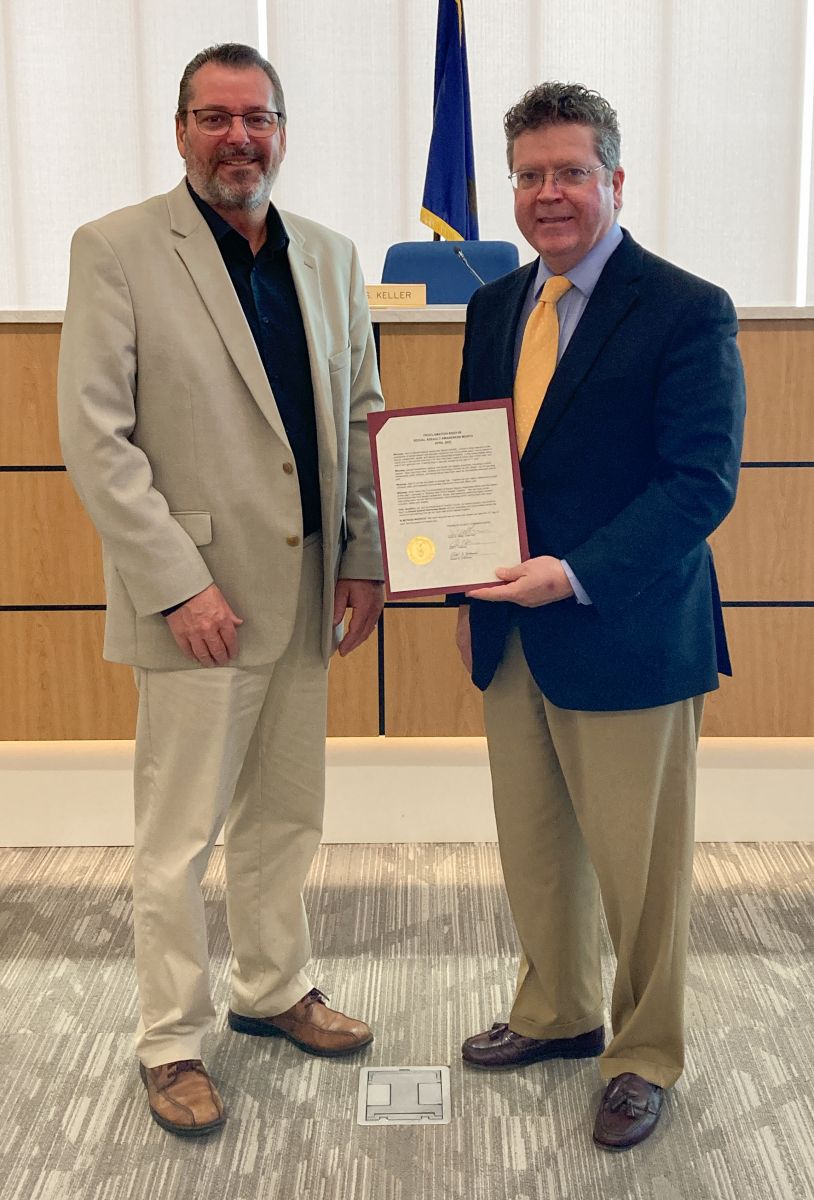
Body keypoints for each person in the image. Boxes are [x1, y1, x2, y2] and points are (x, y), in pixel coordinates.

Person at [58, 43, 384, 1138]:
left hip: (302, 595)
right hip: (195, 603)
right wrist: (175, 586)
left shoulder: (332, 259)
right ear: (182, 130)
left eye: (257, 117)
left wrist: (363, 555)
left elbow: (359, 418)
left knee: (285, 816)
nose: (237, 136)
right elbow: (97, 441)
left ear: (283, 130)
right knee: (177, 836)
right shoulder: (114, 251)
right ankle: (168, 1041)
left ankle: (274, 987)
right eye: (214, 117)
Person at [454, 83, 745, 1150]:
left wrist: (571, 572)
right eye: (529, 176)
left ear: (615, 180)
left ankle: (644, 1051)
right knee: (536, 850)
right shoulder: (492, 307)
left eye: (570, 172)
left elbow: (699, 483)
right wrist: (462, 578)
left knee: (639, 869)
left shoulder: (684, 307)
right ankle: (560, 1013)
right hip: (512, 633)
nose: (548, 194)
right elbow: (477, 470)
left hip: (621, 627)